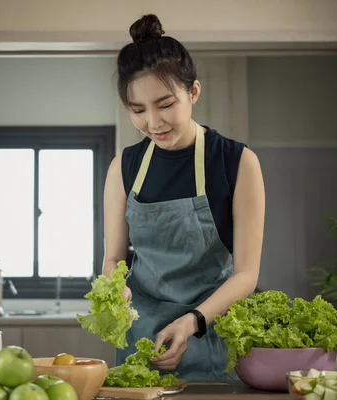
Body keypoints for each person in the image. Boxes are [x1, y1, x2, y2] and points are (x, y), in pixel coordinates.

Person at [103, 14, 266, 380]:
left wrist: (192, 322)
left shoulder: (238, 163)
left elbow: (246, 274)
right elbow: (113, 258)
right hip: (143, 337)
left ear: (193, 92)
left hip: (214, 333)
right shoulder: (123, 168)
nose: (154, 123)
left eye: (165, 104)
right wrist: (116, 292)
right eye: (138, 110)